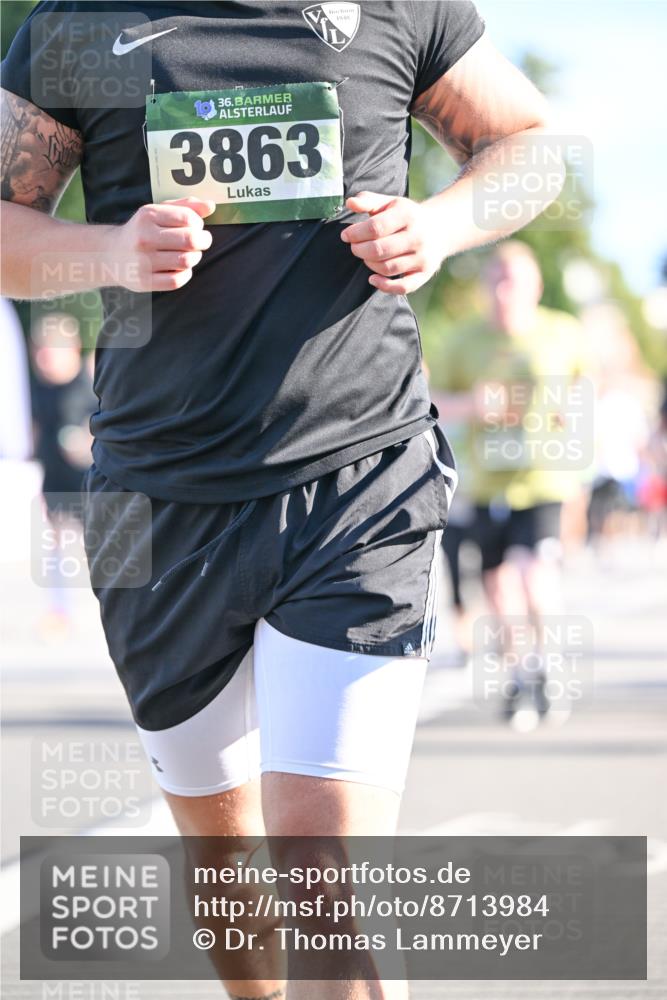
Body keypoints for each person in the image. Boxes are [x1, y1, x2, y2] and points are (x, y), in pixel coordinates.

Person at [1, 4, 559, 996]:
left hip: (360, 475)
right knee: (225, 869)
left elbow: (530, 144)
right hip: (154, 500)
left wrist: (439, 223)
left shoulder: (393, 7)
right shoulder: (85, 20)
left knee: (322, 869)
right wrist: (109, 254)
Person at [437, 242, 586, 724]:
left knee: (533, 574)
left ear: (535, 286)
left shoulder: (562, 333)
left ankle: (549, 663)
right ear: (484, 287)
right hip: (486, 482)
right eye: (495, 280)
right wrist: (472, 406)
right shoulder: (464, 340)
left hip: (543, 479)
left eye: (514, 281)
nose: (504, 291)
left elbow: (588, 390)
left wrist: (572, 414)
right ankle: (523, 675)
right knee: (499, 588)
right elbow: (432, 402)